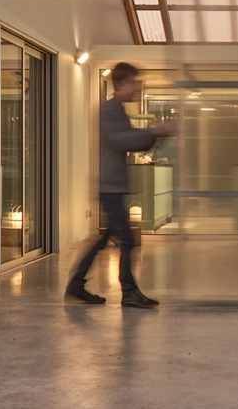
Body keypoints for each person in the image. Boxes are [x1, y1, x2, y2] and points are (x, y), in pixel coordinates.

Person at [66, 62, 174, 307]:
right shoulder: (109, 111)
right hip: (109, 187)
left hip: (112, 186)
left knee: (106, 239)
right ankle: (128, 292)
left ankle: (77, 284)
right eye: (133, 83)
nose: (136, 88)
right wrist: (153, 131)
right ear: (122, 83)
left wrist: (154, 134)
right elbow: (120, 140)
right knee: (126, 238)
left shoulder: (117, 110)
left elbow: (130, 140)